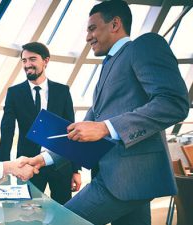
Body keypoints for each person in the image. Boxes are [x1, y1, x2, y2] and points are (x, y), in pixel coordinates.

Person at [18, 1, 190, 224]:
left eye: (92, 28)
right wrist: (44, 159)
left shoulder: (144, 46)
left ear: (115, 24)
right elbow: (82, 130)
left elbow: (174, 102)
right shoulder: (108, 65)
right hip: (122, 180)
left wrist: (106, 127)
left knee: (59, 221)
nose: (87, 37)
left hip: (125, 178)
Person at [0, 42, 81, 204]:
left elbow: (71, 130)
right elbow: (7, 131)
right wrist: (3, 168)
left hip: (60, 163)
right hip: (28, 164)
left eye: (32, 59)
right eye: (24, 60)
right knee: (27, 213)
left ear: (46, 61)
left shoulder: (62, 91)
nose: (27, 64)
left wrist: (75, 169)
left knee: (63, 213)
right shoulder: (14, 93)